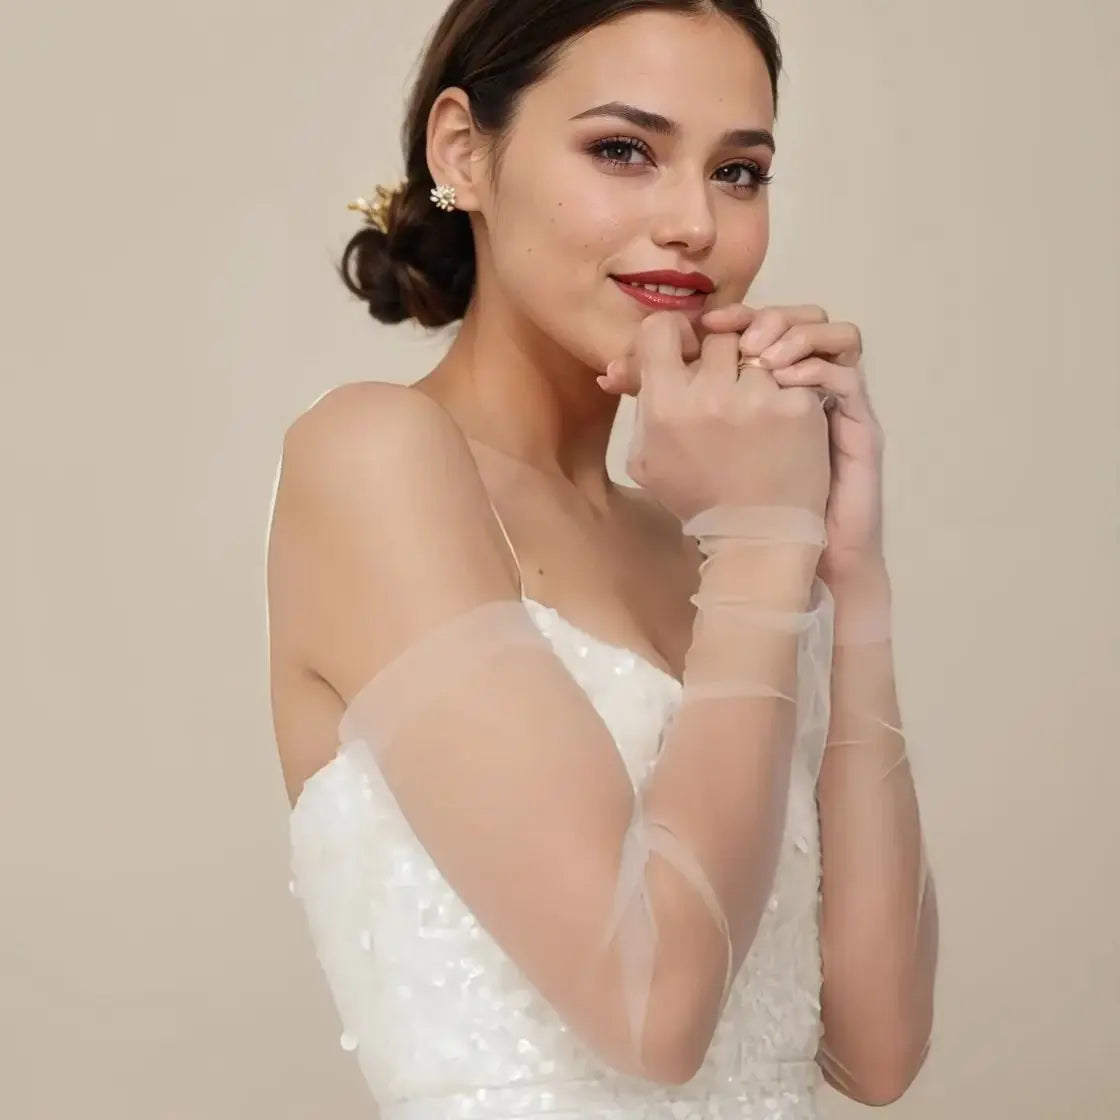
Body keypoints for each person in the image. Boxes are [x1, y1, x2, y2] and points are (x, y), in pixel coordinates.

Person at [266, 1, 939, 1116]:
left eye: (738, 171)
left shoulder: (712, 543)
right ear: (462, 152)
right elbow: (652, 1011)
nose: (693, 223)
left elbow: (878, 1048)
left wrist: (845, 566)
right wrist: (767, 552)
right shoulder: (375, 458)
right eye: (623, 150)